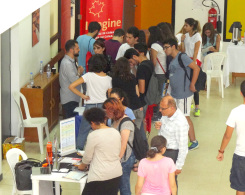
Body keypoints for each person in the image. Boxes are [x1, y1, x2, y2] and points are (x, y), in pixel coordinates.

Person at [163, 38, 199, 150]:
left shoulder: (182, 57)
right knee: (176, 117)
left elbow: (196, 68)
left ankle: (194, 141)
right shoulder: (172, 59)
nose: (164, 50)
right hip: (175, 93)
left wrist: (192, 84)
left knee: (185, 117)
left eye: (166, 47)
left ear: (173, 46)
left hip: (184, 94)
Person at [69, 54, 112, 150]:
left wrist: (83, 96)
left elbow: (71, 86)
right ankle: (102, 149)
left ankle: (79, 150)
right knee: (102, 130)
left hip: (90, 107)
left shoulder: (88, 76)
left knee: (83, 131)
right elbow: (109, 96)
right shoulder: (109, 79)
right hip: (102, 107)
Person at [78, 107, 122, 195]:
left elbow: (87, 157)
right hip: (116, 174)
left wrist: (81, 166)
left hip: (99, 176)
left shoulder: (94, 135)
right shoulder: (115, 132)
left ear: (92, 123)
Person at [217, 80, 245, 195]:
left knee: (240, 187)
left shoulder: (236, 112)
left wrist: (221, 151)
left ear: (241, 93)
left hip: (241, 156)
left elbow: (227, 136)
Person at [103, 98, 136, 195]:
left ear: (113, 110)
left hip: (124, 160)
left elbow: (123, 145)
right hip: (117, 158)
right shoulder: (114, 120)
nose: (105, 112)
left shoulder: (126, 122)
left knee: (124, 187)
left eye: (106, 110)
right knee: (116, 186)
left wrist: (117, 160)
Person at [154, 95, 188, 186]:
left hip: (171, 154)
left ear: (172, 108)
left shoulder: (180, 123)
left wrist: (179, 166)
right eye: (160, 107)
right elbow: (163, 131)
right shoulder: (166, 114)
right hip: (161, 151)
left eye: (163, 108)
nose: (160, 110)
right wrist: (158, 125)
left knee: (170, 182)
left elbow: (183, 146)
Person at [112, 57, 143, 130]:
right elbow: (137, 93)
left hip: (125, 109)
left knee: (126, 132)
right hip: (137, 106)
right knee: (137, 132)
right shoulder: (132, 77)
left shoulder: (115, 79)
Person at [180, 18, 202, 117]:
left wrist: (193, 65)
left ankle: (197, 107)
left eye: (186, 25)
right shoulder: (186, 36)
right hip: (187, 60)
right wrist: (182, 41)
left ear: (192, 26)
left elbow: (196, 51)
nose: (184, 27)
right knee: (187, 82)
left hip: (194, 61)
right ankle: (189, 102)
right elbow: (183, 51)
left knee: (194, 83)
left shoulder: (197, 36)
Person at [59, 40, 83, 119]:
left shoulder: (72, 61)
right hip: (69, 98)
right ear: (71, 50)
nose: (79, 50)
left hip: (73, 97)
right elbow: (74, 81)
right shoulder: (67, 64)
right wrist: (79, 73)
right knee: (70, 123)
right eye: (77, 48)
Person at [147, 26, 167, 102]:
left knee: (158, 94)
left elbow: (154, 62)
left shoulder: (154, 46)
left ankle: (159, 111)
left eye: (149, 33)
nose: (147, 34)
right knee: (164, 93)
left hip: (159, 73)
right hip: (165, 73)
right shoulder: (161, 44)